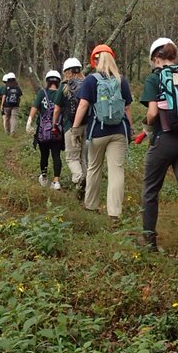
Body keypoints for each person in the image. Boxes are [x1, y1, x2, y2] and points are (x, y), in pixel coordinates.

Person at [138, 37, 178, 270]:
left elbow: (153, 112)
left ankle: (149, 240)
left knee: (150, 190)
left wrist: (146, 125)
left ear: (156, 58)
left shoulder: (155, 78)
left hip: (163, 139)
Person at [71, 44, 132, 223]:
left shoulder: (91, 80)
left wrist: (75, 129)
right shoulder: (121, 80)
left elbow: (83, 105)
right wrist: (130, 129)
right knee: (117, 170)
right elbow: (127, 108)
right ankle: (114, 213)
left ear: (95, 61)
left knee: (94, 168)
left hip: (97, 131)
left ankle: (90, 205)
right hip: (119, 132)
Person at [53, 57, 88, 195]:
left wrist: (54, 124)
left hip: (71, 126)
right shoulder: (87, 84)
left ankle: (79, 178)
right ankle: (85, 187)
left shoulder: (64, 86)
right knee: (83, 158)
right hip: (87, 125)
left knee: (72, 157)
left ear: (66, 71)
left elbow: (57, 109)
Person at [27, 70, 65, 189]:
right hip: (57, 130)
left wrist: (29, 122)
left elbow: (35, 107)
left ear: (47, 81)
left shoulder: (42, 93)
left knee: (44, 155)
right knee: (56, 155)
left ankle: (44, 177)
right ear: (58, 81)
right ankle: (56, 181)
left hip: (43, 131)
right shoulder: (62, 93)